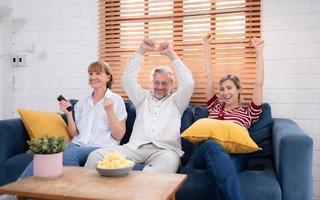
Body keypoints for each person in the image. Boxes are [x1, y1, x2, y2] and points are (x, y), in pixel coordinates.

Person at [85, 38, 195, 173]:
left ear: (172, 85)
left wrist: (171, 54)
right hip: (133, 149)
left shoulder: (177, 101)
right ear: (152, 83)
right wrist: (141, 51)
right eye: (156, 82)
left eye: (164, 83)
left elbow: (188, 83)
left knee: (165, 167)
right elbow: (127, 79)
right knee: (95, 156)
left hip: (164, 151)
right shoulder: (142, 98)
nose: (160, 87)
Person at [183, 33, 265, 200]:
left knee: (220, 174)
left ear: (238, 89)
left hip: (235, 156)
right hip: (204, 152)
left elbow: (259, 83)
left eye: (229, 88)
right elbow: (209, 77)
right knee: (212, 145)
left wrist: (259, 51)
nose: (225, 92)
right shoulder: (214, 106)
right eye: (222, 89)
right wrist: (206, 47)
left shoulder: (249, 111)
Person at [20, 61, 127, 178]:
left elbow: (119, 135)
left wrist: (109, 111)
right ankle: (17, 191)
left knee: (70, 155)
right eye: (90, 74)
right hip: (78, 144)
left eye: (98, 73)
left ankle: (73, 192)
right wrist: (69, 114)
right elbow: (75, 134)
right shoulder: (82, 103)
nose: (93, 77)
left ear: (108, 77)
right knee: (48, 151)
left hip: (101, 147)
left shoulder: (116, 100)